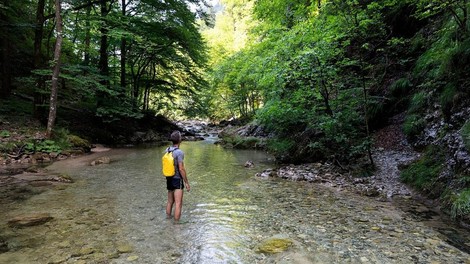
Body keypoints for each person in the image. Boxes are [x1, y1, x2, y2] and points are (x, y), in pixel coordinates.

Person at [165, 131, 190, 223]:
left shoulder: (167, 150)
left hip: (169, 178)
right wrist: (186, 182)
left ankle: (168, 220)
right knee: (178, 203)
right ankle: (176, 226)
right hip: (177, 179)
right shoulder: (179, 152)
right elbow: (181, 169)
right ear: (180, 140)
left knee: (170, 202)